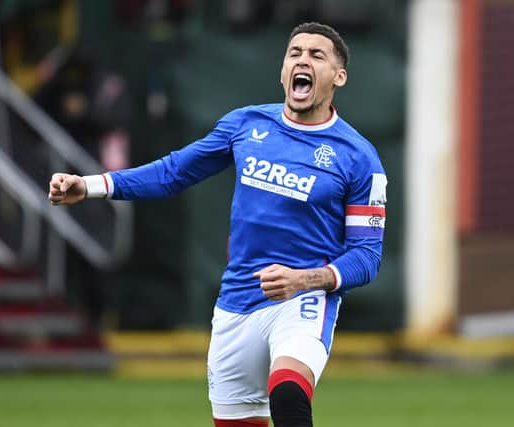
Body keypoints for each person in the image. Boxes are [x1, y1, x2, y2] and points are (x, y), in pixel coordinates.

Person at [48, 22, 387, 427]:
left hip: (302, 302)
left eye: (317, 55)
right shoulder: (245, 125)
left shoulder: (359, 157)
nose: (302, 60)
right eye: (294, 52)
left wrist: (305, 280)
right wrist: (89, 185)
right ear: (283, 71)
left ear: (339, 76)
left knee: (289, 390)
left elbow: (367, 256)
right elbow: (173, 172)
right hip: (237, 304)